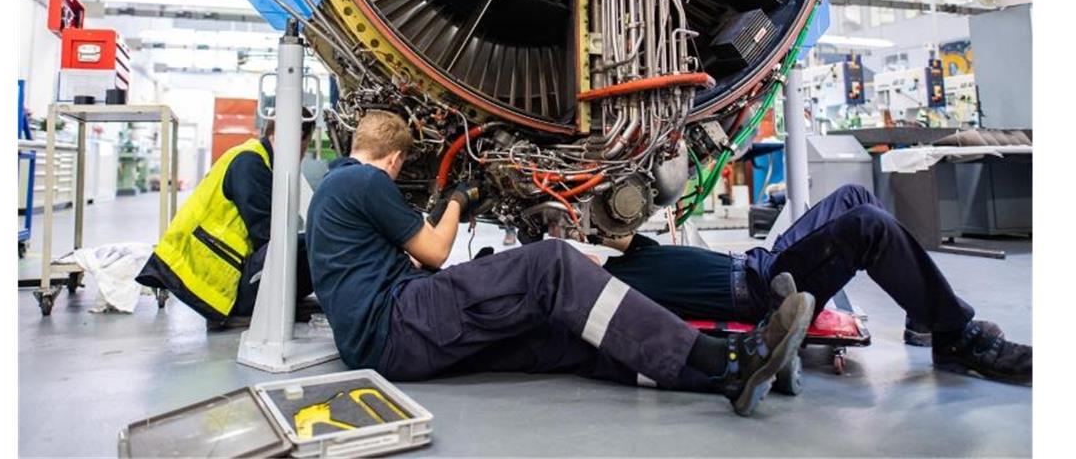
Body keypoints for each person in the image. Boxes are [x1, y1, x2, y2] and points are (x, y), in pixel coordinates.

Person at [306, 111, 816, 417]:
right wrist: (461, 198)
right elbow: (436, 254)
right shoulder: (365, 182)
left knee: (560, 334)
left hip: (386, 344)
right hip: (400, 322)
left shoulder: (331, 193)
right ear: (394, 159)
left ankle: (729, 368)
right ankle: (730, 358)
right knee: (551, 264)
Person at [597, 184, 1032, 385]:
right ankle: (957, 336)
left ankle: (925, 314)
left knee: (854, 195)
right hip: (767, 290)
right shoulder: (602, 279)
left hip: (759, 262)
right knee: (868, 227)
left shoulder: (634, 251)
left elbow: (617, 228)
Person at [137, 113, 316, 328]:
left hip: (215, 279)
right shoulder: (250, 163)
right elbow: (269, 234)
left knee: (304, 243)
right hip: (220, 288)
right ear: (295, 138)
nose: (304, 153)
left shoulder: (250, 156)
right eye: (307, 143)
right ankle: (252, 309)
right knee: (313, 244)